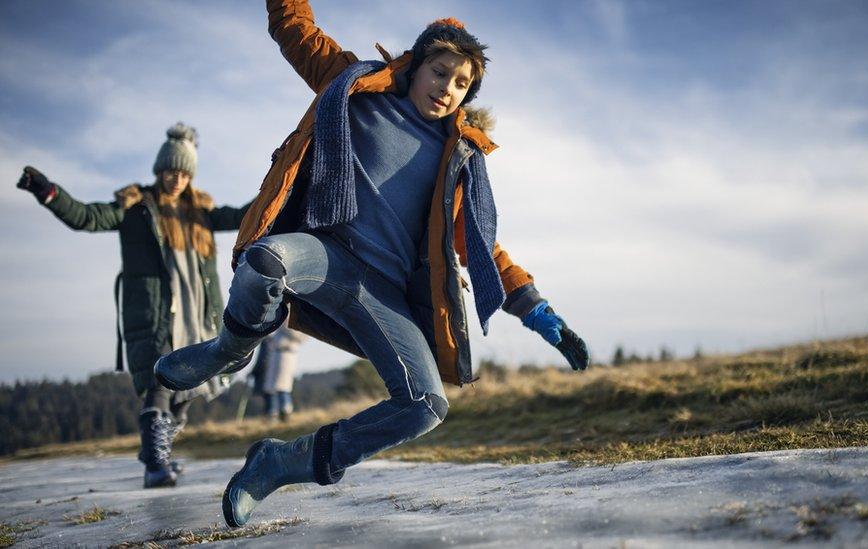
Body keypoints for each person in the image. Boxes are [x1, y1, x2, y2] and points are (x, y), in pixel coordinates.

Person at [154, 0, 589, 527]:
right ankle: (228, 349)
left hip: (383, 296)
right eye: (440, 71)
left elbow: (482, 249)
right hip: (325, 257)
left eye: (461, 83)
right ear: (417, 64)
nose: (447, 87)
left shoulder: (457, 160)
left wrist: (540, 314)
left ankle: (281, 462)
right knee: (265, 260)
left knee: (425, 405)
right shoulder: (354, 85)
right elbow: (294, 29)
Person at [16, 123, 252, 488]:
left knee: (188, 392)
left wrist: (289, 182)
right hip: (156, 314)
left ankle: (159, 452)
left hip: (197, 318)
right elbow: (87, 217)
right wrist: (48, 192)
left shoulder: (200, 213)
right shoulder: (136, 208)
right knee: (159, 385)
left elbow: (246, 216)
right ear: (159, 170)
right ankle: (154, 464)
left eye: (184, 173)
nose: (176, 179)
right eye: (170, 171)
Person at [251, 323, 306, 421]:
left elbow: (300, 337)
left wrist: (283, 324)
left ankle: (285, 411)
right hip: (275, 352)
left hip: (286, 353)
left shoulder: (295, 321)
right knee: (270, 385)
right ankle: (272, 413)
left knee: (282, 385)